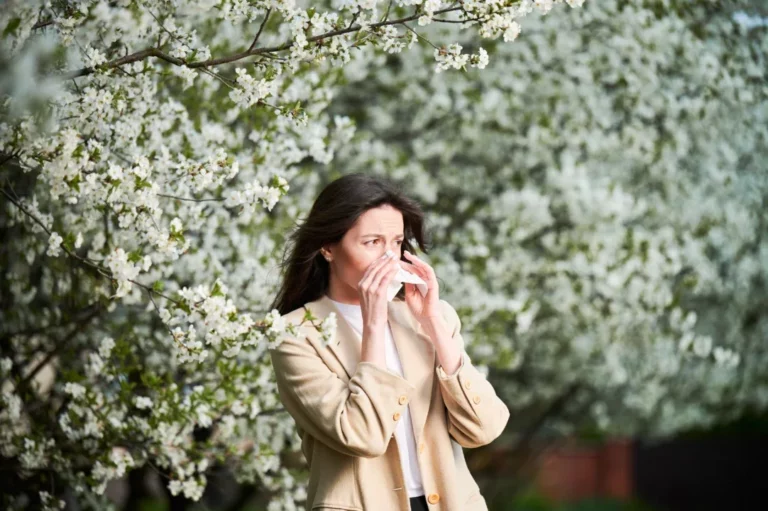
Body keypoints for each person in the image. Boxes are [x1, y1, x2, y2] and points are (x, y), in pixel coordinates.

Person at [269, 173, 510, 511]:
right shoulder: (295, 335)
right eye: (372, 242)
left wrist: (433, 324)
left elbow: (484, 428)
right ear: (327, 247)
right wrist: (373, 322)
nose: (389, 258)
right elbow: (362, 435)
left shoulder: (432, 318)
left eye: (396, 242)